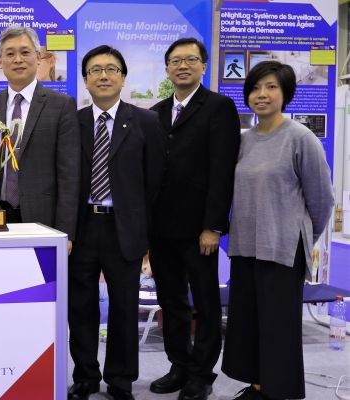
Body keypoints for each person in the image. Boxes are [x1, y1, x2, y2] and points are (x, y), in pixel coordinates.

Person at [222, 61, 333, 400]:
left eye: (271, 87)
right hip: (245, 248)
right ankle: (257, 385)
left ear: (285, 93)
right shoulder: (243, 141)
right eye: (255, 88)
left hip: (282, 251)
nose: (262, 94)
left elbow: (322, 200)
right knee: (249, 324)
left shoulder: (300, 138)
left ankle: (277, 391)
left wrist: (299, 238)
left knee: (278, 328)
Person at [67, 45, 163, 400]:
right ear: (86, 80)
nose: (103, 75)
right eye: (95, 70)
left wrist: (148, 237)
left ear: (123, 77)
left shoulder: (146, 122)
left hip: (125, 229)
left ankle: (121, 381)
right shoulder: (72, 122)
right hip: (81, 229)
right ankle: (86, 377)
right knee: (81, 308)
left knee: (124, 308)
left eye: (110, 69)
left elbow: (154, 183)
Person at [149, 38, 241, 400]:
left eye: (190, 60)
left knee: (204, 302)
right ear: (167, 69)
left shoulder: (219, 107)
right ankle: (179, 365)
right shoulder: (154, 112)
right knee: (171, 301)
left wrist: (213, 226)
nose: (182, 66)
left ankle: (202, 373)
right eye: (175, 61)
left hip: (199, 229)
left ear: (203, 65)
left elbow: (222, 172)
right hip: (160, 228)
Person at [0, 25, 80, 249]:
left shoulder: (61, 105)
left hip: (43, 219)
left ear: (38, 57)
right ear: (0, 62)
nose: (18, 59)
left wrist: (66, 233)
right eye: (10, 53)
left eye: (25, 52)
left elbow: (69, 174)